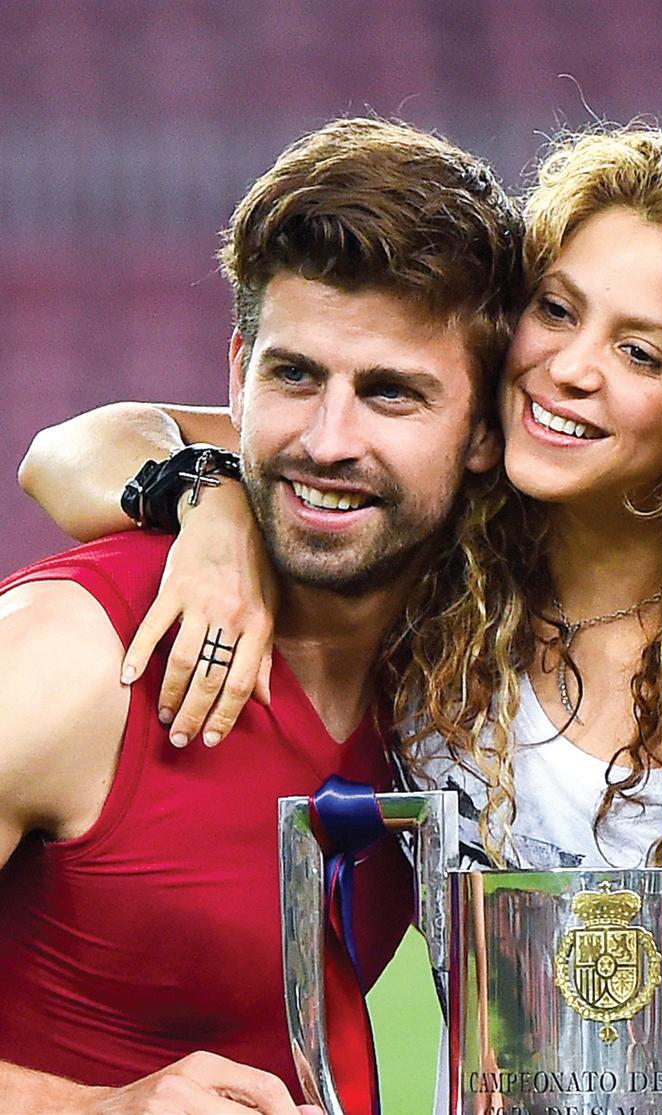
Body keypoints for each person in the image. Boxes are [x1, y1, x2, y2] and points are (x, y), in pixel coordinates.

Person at [22, 111, 662, 1115]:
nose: (569, 366)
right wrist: (207, 504)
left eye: (641, 352)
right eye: (556, 310)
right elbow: (77, 448)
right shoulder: (442, 580)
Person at [0, 115, 522, 1112]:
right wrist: (96, 1107)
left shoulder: (464, 669)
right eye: (294, 374)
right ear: (237, 372)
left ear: (483, 432)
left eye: (391, 394)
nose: (327, 439)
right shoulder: (69, 657)